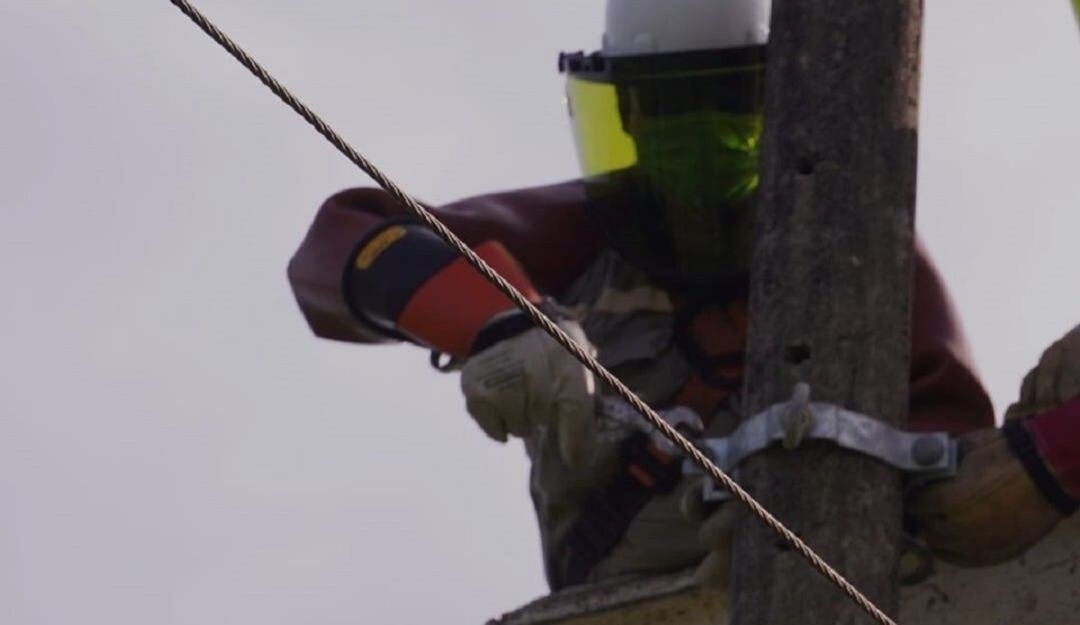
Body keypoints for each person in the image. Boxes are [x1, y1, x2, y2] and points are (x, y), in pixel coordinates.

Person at [287, 0, 1080, 591]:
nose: (696, 142)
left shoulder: (859, 256)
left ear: (778, 110)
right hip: (621, 591)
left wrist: (835, 522)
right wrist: (498, 320)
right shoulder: (586, 236)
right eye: (669, 108)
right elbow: (345, 240)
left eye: (723, 104)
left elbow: (954, 458)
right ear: (628, 111)